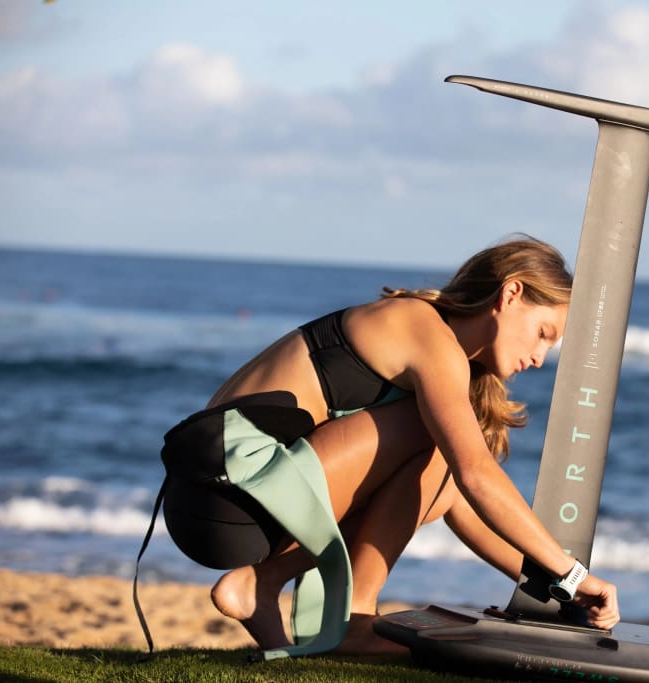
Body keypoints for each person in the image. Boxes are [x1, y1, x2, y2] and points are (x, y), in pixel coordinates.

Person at [155, 236, 620, 656]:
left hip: (217, 502)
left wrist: (559, 587)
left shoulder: (437, 346)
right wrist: (572, 572)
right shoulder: (425, 334)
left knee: (439, 470)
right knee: (443, 445)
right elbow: (476, 475)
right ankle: (354, 618)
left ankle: (260, 585)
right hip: (226, 496)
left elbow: (456, 500)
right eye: (543, 334)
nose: (539, 358)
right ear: (511, 294)